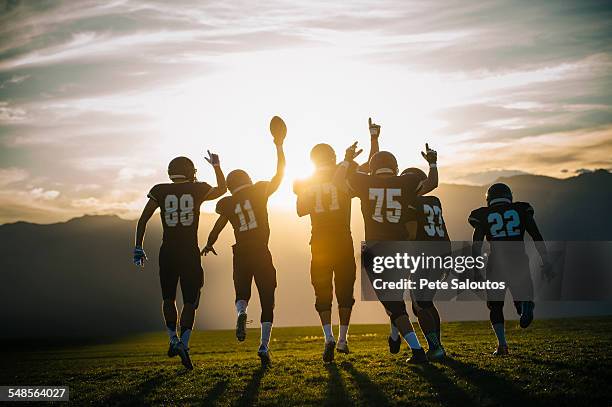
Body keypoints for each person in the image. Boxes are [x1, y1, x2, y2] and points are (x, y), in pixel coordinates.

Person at [334, 136, 439, 363]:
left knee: (393, 304)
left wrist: (345, 160)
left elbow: (337, 182)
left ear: (373, 168)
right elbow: (431, 185)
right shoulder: (406, 182)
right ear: (395, 167)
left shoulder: (363, 182)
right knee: (397, 299)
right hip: (402, 248)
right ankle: (399, 337)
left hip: (376, 250)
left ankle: (417, 350)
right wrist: (432, 164)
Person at [292, 118, 380, 363]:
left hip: (318, 241)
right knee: (344, 291)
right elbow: (371, 167)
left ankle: (328, 337)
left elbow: (300, 210)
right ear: (332, 157)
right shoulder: (345, 172)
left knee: (322, 292)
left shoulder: (306, 180)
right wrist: (373, 138)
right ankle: (342, 339)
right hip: (342, 239)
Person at [133, 152, 227, 370]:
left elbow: (143, 219)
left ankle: (172, 339)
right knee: (191, 301)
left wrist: (138, 246)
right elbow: (222, 189)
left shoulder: (160, 190)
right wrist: (217, 166)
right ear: (189, 171)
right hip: (188, 252)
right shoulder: (197, 189)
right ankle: (183, 343)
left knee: (168, 298)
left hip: (167, 251)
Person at [202, 132, 286, 366]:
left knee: (242, 294)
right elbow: (279, 175)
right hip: (261, 250)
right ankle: (263, 346)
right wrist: (279, 147)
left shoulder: (228, 204)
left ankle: (241, 314)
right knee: (268, 298)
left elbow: (219, 225)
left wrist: (209, 243)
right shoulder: (259, 190)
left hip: (240, 253)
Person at [468, 183, 553, 356]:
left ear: (489, 198)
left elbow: (477, 244)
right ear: (509, 196)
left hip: (496, 263)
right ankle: (525, 304)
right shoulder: (521, 210)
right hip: (518, 259)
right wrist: (547, 261)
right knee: (520, 301)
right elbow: (536, 236)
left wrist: (476, 269)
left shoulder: (483, 215)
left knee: (495, 306)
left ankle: (502, 345)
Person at [401, 167, 449, 361]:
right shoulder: (434, 201)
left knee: (419, 304)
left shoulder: (411, 203)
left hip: (423, 255)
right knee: (427, 302)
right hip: (441, 251)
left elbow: (411, 235)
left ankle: (435, 347)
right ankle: (437, 346)